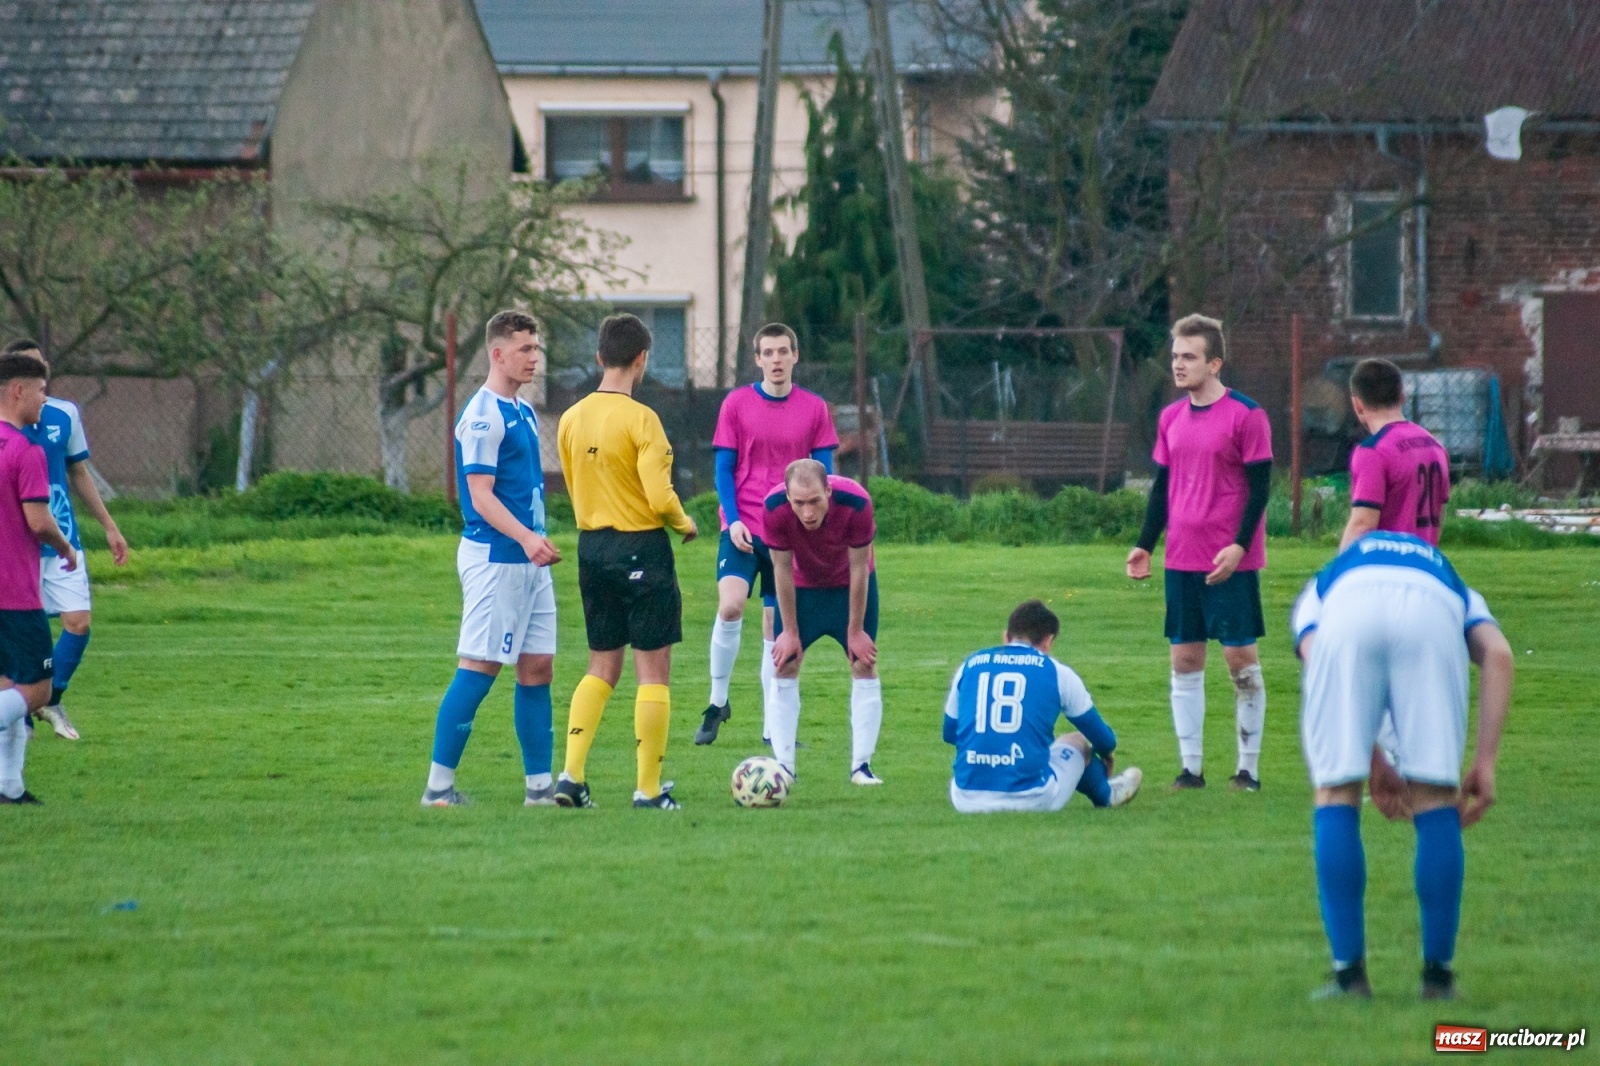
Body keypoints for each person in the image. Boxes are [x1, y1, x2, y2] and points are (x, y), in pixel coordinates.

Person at [1292, 532, 1512, 1001]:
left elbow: (1318, 660)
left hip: (1348, 613)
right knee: (1435, 799)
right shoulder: (1451, 578)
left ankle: (1349, 977)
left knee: (1335, 793)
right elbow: (1499, 655)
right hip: (1432, 616)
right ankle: (1438, 979)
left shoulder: (1326, 579)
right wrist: (1484, 762)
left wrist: (1365, 759)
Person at [556, 313, 697, 810]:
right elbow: (659, 497)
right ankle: (648, 790)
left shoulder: (570, 418)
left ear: (599, 357)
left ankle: (571, 777)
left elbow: (574, 485)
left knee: (601, 666)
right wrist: (684, 523)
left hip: (591, 549)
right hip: (641, 547)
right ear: (642, 359)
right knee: (652, 674)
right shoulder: (642, 420)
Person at [421, 311, 562, 807]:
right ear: (497, 354)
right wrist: (526, 538)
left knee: (538, 665)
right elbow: (479, 496)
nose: (535, 358)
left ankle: (539, 791)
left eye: (536, 348)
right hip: (499, 557)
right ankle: (438, 790)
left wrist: (534, 541)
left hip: (529, 559)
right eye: (525, 349)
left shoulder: (520, 409)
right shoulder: (483, 414)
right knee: (479, 666)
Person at [1126, 313, 1272, 791]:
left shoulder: (1247, 415)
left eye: (1189, 356)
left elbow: (1259, 490)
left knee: (1239, 662)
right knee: (1184, 661)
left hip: (1228, 561)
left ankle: (1247, 770)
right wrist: (1145, 545)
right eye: (1174, 356)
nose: (1178, 364)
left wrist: (1238, 546)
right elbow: (1161, 487)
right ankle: (1191, 770)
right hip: (1181, 558)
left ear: (1215, 362)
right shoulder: (1170, 417)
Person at [696, 323, 838, 747]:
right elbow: (723, 468)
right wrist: (733, 519)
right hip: (743, 528)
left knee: (775, 628)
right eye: (768, 353)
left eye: (783, 352)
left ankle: (769, 724)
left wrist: (814, 526)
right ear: (757, 359)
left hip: (789, 537)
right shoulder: (736, 404)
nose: (776, 360)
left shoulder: (814, 409)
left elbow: (826, 475)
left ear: (795, 356)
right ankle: (718, 702)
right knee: (731, 607)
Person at [5, 339, 130, 741]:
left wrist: (109, 525)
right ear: (16, 382)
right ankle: (20, 711)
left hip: (62, 541)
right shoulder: (10, 431)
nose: (43, 380)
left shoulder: (65, 414)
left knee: (79, 623)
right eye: (34, 373)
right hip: (20, 546)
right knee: (22, 642)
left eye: (44, 370)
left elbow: (79, 471)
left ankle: (47, 700)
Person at [943, 600, 1142, 814]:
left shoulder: (970, 664)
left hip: (966, 798)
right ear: (1048, 641)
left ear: (1006, 637)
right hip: (1033, 798)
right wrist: (1106, 754)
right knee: (1075, 742)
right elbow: (1104, 739)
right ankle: (1107, 794)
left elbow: (950, 733)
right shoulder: (1056, 672)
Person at [764, 459, 881, 784]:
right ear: (787, 497)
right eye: (799, 503)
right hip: (803, 590)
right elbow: (781, 570)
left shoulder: (857, 503)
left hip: (850, 587)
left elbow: (860, 567)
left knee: (863, 663)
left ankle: (862, 767)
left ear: (828, 490)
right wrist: (789, 631)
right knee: (785, 663)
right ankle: (784, 768)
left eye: (815, 501)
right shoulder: (773, 508)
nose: (808, 512)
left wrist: (855, 631)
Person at [0, 352, 78, 805]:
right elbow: (39, 522)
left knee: (6, 686)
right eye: (41, 390)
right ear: (18, 391)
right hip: (14, 593)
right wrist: (66, 547)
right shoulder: (25, 451)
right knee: (36, 689)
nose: (45, 400)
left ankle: (9, 786)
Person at [1340, 357, 1451, 549]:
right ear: (1401, 396)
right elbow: (1439, 517)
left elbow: (1363, 524)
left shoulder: (1373, 451)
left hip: (1387, 568)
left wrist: (1339, 571)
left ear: (1357, 404)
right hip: (1426, 565)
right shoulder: (1435, 446)